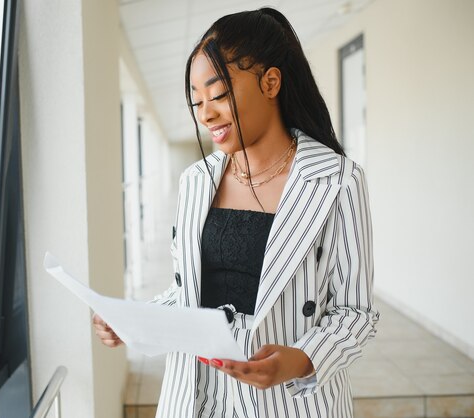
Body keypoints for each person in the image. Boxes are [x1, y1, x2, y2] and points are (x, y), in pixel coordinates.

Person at [93, 6, 379, 418]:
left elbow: (357, 314)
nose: (206, 113)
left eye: (219, 94)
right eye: (197, 101)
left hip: (290, 400)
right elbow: (187, 293)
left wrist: (297, 360)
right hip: (197, 394)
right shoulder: (195, 182)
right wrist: (135, 320)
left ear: (271, 82)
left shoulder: (338, 181)